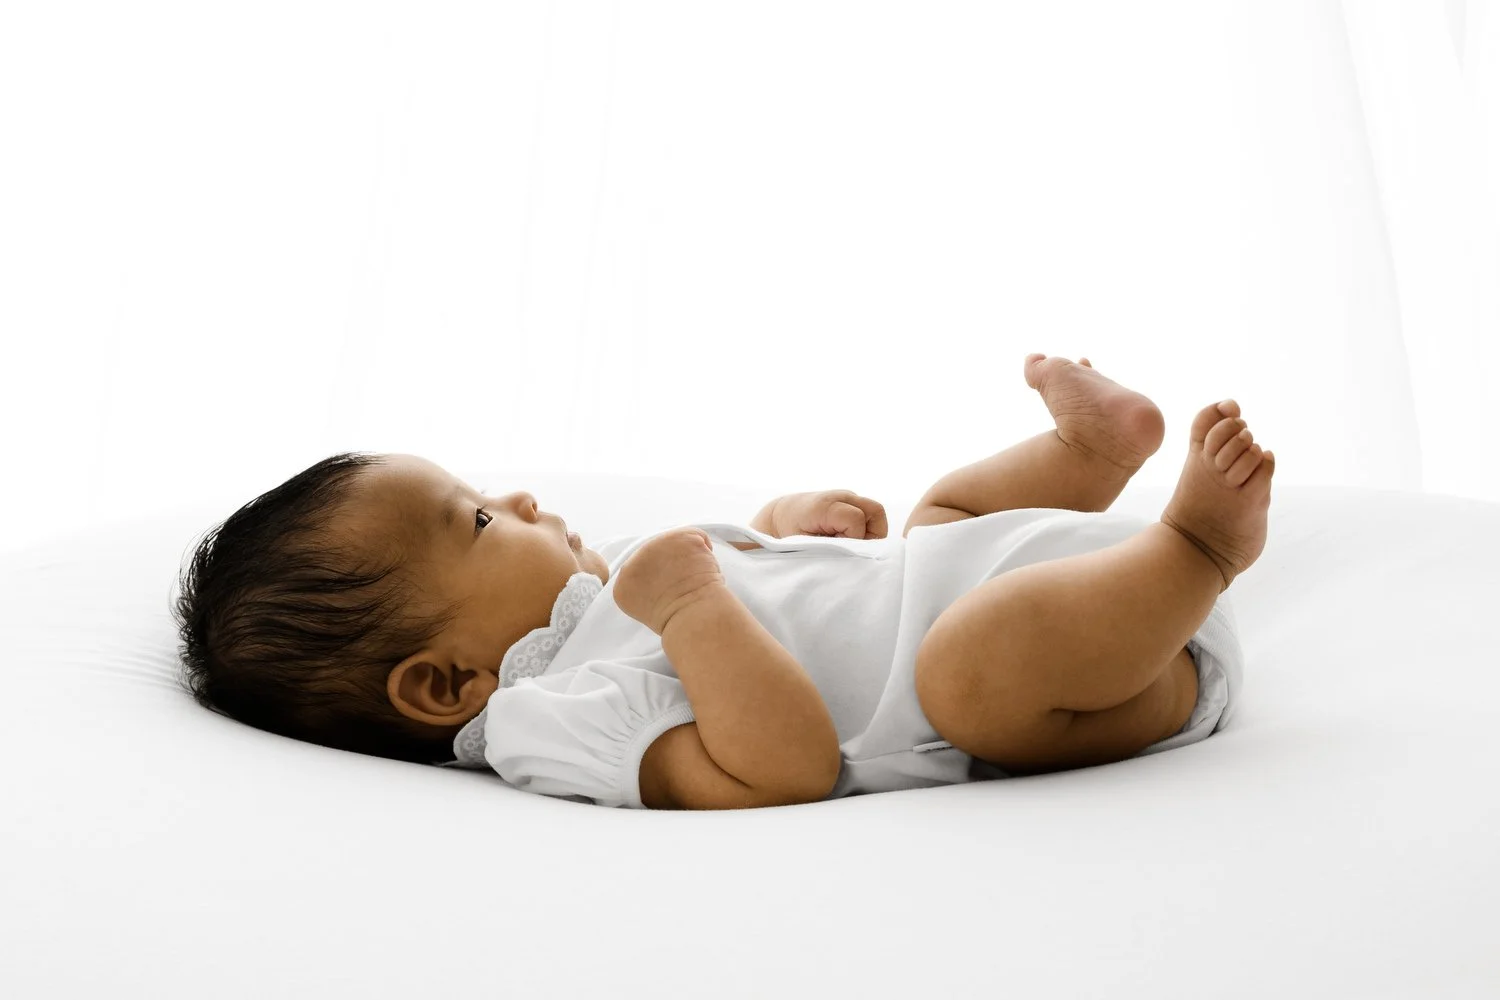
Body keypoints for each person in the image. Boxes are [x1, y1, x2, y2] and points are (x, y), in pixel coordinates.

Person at [173, 354, 1273, 810]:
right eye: (475, 519)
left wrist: (793, 531)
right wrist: (696, 606)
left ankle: (1091, 463)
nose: (519, 503)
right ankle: (1197, 553)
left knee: (944, 515)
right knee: (969, 674)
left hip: (960, 575)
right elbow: (778, 767)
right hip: (1089, 685)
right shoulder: (551, 721)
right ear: (442, 684)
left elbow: (773, 586)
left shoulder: (621, 596)